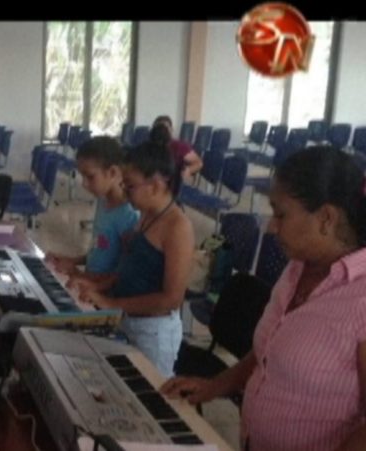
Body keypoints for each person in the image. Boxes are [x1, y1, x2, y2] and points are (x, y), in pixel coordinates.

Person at [162, 147, 366, 451]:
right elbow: (266, 353)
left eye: (280, 214)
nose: (271, 226)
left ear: (325, 218)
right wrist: (214, 386)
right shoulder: (296, 269)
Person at [72, 142, 194, 377]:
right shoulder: (147, 215)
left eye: (130, 188)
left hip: (154, 333)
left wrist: (111, 304)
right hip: (130, 320)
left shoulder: (178, 227)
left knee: (147, 399)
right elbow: (128, 268)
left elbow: (171, 298)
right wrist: (96, 286)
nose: (125, 194)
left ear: (156, 185)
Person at [46, 136, 139, 283]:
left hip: (104, 294)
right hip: (88, 283)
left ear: (113, 172)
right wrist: (73, 261)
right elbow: (100, 251)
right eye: (82, 176)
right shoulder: (103, 201)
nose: (84, 184)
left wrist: (77, 275)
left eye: (90, 176)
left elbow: (123, 274)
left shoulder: (128, 215)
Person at [151, 115, 203, 179]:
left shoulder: (179, 146)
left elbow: (198, 163)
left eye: (165, 128)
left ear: (171, 129)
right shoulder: (148, 146)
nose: (162, 132)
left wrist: (189, 170)